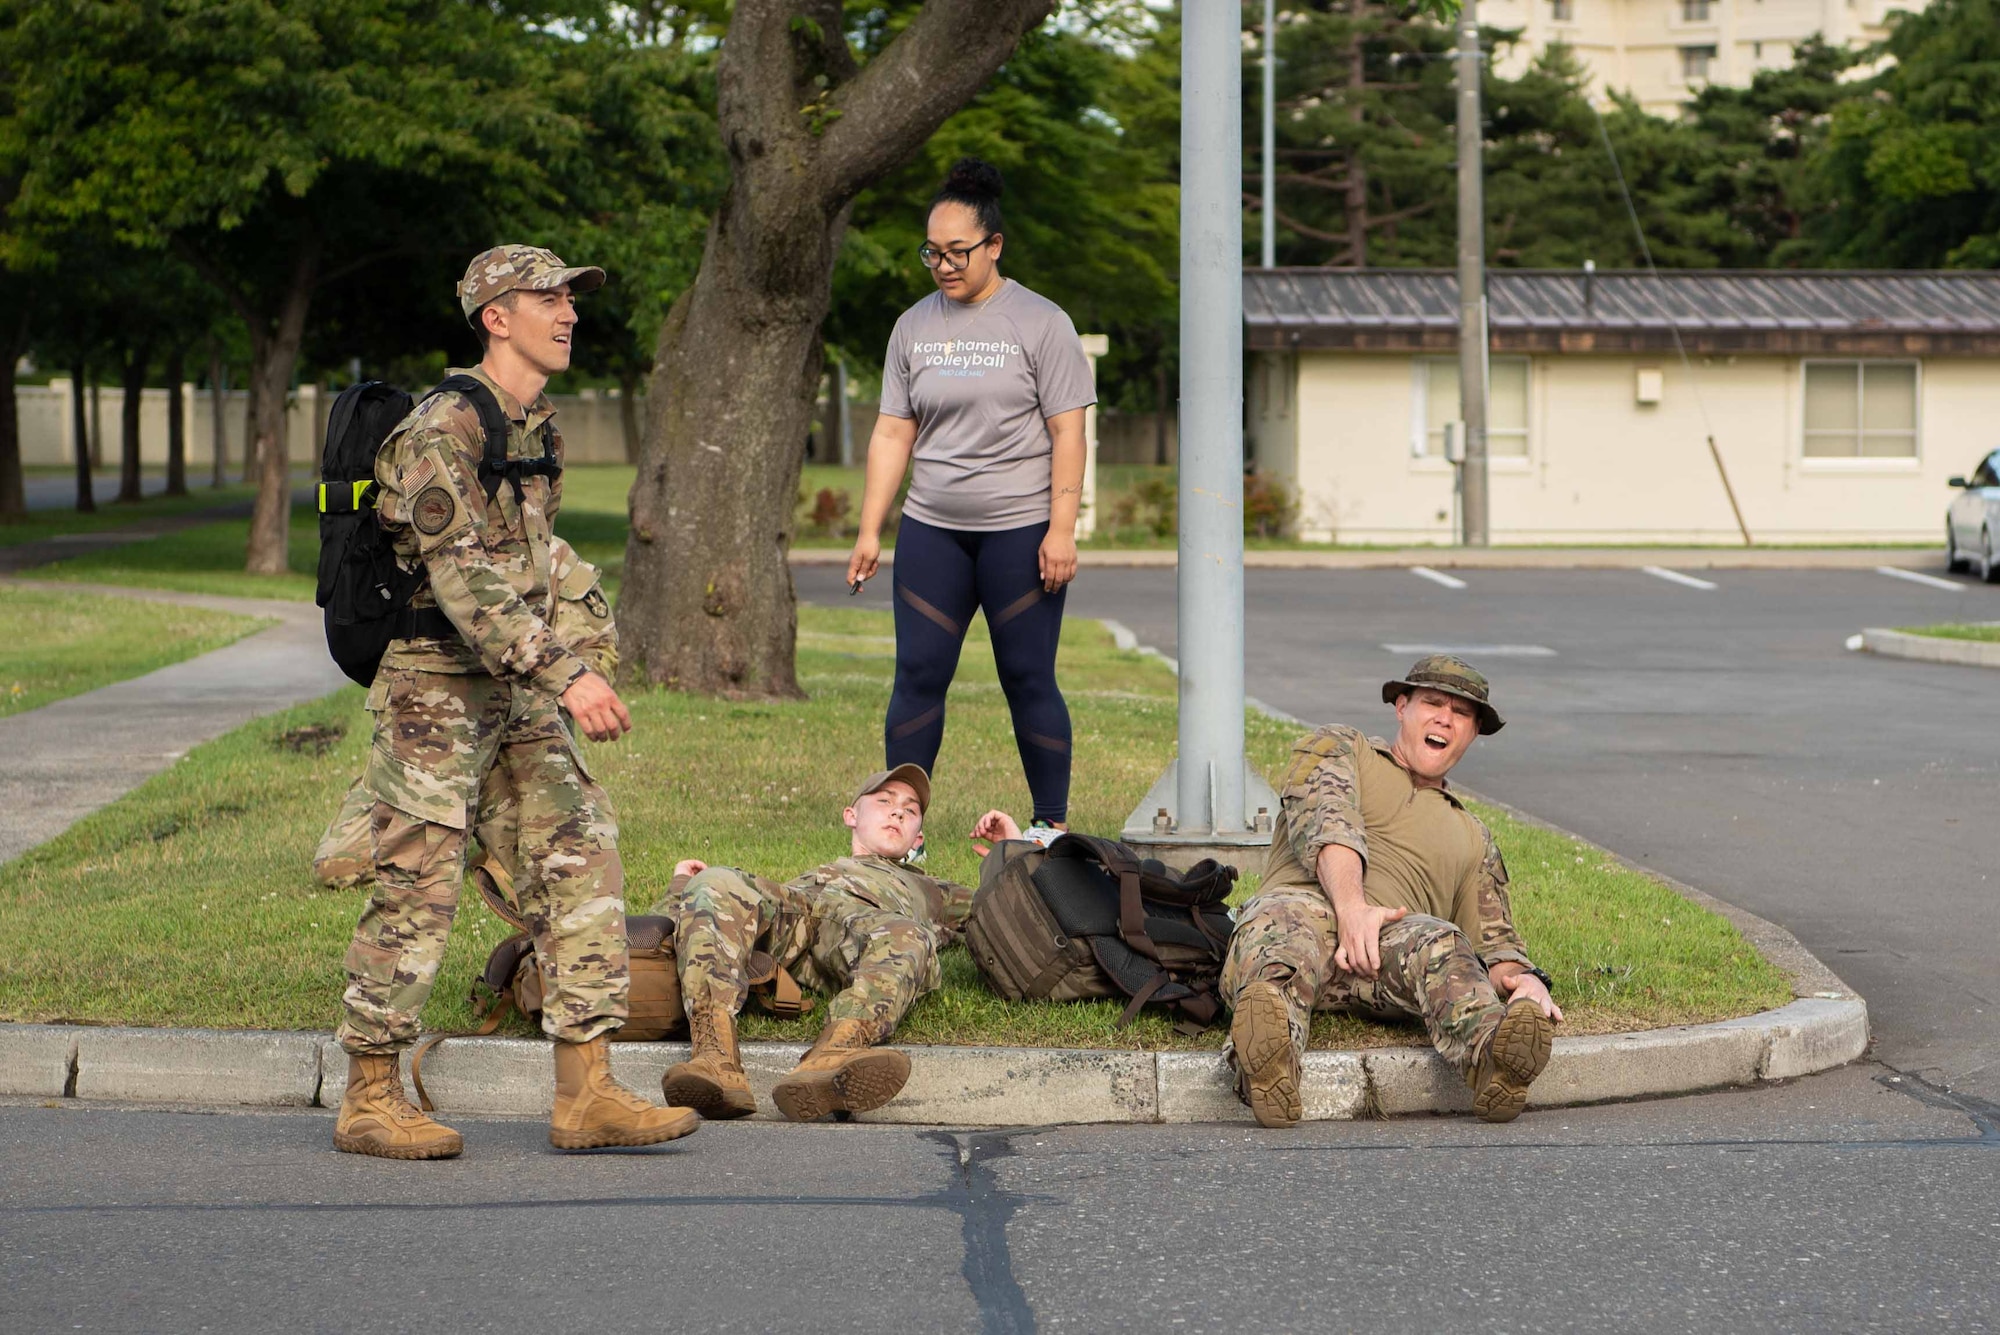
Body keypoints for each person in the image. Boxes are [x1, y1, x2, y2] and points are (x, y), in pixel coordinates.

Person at [331, 244, 699, 1160]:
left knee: (581, 857)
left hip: (512, 690)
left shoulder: (534, 427)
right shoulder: (438, 431)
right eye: (548, 297)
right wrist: (565, 674)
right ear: (496, 315)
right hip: (430, 693)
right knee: (415, 890)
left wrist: (578, 644)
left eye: (572, 296)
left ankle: (588, 1092)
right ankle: (370, 1094)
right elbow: (463, 578)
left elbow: (533, 559)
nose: (568, 310)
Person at [845, 157, 1097, 832]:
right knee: (919, 675)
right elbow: (894, 431)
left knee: (1027, 677)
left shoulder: (1042, 322)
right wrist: (871, 528)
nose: (944, 265)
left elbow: (1069, 433)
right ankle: (903, 831)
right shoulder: (913, 326)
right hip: (933, 530)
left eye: (959, 251)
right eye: (933, 252)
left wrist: (1062, 528)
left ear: (994, 246)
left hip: (1021, 531)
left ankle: (1049, 828)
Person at [1221, 656, 1564, 1128]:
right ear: (1401, 706)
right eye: (1433, 703)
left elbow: (1493, 942)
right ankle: (1267, 1066)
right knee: (1276, 940)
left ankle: (1493, 1060)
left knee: (1443, 940)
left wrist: (1525, 981)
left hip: (1389, 950)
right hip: (1304, 913)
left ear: (1473, 733)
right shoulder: (1342, 747)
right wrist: (1352, 908)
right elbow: (1327, 819)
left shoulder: (1473, 836)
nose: (1445, 718)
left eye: (1462, 714)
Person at [656, 765, 1025, 1122]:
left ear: (918, 839)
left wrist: (1013, 848)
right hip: (799, 912)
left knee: (908, 936)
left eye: (910, 811)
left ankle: (833, 1056)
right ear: (851, 815)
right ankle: (714, 1057)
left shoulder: (934, 891)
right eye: (884, 801)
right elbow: (680, 918)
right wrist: (683, 886)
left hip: (864, 932)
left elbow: (1008, 912)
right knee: (719, 880)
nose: (898, 811)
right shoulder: (820, 871)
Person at [312, 536, 615, 892]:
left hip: (521, 742)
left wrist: (541, 690)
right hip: (432, 742)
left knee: (568, 867)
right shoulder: (428, 544)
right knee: (338, 865)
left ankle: (494, 828)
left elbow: (596, 652)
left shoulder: (548, 554)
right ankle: (455, 825)